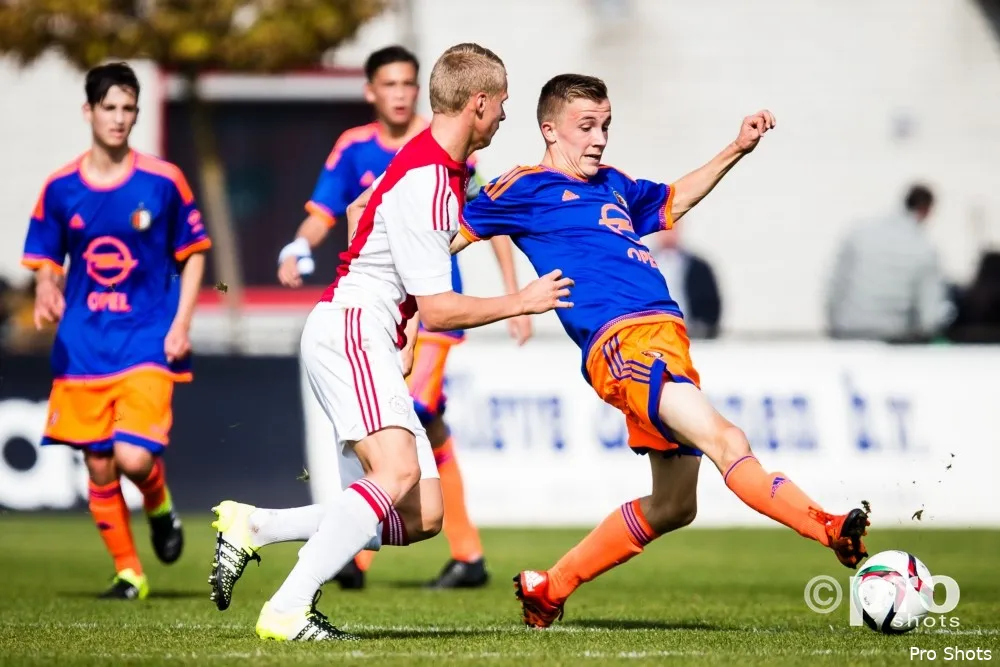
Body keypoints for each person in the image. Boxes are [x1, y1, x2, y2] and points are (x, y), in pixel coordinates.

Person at [454, 74, 870, 628]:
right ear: (549, 130)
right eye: (586, 127)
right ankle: (829, 526)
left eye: (605, 126)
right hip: (623, 343)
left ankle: (548, 588)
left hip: (666, 343)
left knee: (676, 506)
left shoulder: (615, 184)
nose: (599, 138)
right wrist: (407, 304)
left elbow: (673, 201)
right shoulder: (522, 188)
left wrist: (735, 149)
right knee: (729, 440)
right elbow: (443, 240)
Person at [209, 43, 572, 641]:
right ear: (478, 104)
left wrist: (396, 321)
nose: (506, 115)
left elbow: (360, 210)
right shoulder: (430, 176)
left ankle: (256, 527)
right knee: (397, 471)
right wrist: (522, 299)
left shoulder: (432, 164)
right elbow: (441, 307)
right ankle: (288, 607)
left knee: (424, 511)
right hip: (351, 328)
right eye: (502, 104)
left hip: (367, 330)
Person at [277, 45, 531, 590]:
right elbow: (339, 212)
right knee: (403, 455)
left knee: (421, 498)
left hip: (414, 316)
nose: (400, 93)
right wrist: (519, 300)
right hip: (379, 322)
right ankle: (308, 588)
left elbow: (483, 219)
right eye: (390, 84)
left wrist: (405, 313)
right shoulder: (407, 160)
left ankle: (270, 530)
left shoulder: (440, 150)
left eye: (407, 83)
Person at [21, 62, 210, 600]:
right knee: (99, 466)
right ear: (89, 111)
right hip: (81, 347)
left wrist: (181, 323)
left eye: (129, 108)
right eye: (110, 107)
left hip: (147, 339)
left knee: (133, 457)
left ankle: (160, 506)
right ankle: (130, 573)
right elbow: (44, 258)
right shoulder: (60, 188)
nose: (119, 118)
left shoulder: (163, 180)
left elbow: (195, 255)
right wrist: (45, 287)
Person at [826, 184, 954, 342]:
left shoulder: (859, 232)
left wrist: (834, 327)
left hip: (847, 332)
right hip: (892, 339)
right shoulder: (923, 248)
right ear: (926, 210)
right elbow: (930, 314)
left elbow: (835, 287)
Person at [648, 224, 722, 339]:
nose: (668, 233)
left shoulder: (698, 266)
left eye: (672, 229)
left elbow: (711, 304)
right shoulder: (643, 264)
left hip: (690, 334)